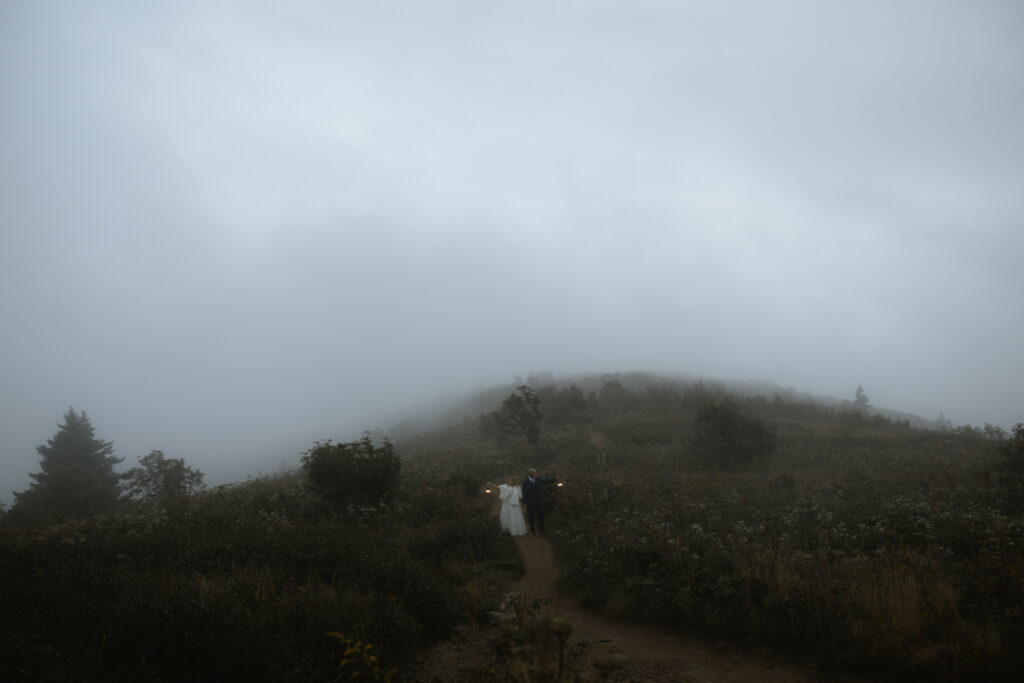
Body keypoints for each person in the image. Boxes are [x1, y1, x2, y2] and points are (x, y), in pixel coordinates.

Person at [521, 468, 558, 535]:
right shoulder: (525, 482)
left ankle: (541, 529)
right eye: (535, 473)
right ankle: (532, 529)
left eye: (536, 473)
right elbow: (524, 493)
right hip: (530, 502)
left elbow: (546, 481)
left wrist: (555, 479)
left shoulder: (538, 479)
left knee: (541, 515)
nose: (536, 474)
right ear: (530, 474)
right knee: (531, 516)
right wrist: (524, 502)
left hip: (539, 501)